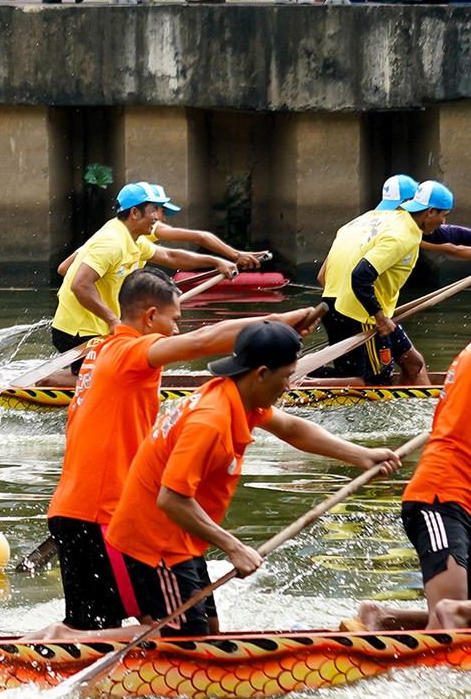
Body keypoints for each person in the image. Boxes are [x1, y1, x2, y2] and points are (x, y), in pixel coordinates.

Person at [41, 269, 326, 636]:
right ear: (149, 318)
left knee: (173, 627)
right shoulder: (131, 352)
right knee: (138, 633)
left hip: (83, 508)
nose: (178, 329)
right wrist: (279, 324)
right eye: (174, 319)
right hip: (102, 515)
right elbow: (202, 341)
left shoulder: (101, 349)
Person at [102, 321, 400, 635]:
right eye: (286, 376)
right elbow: (171, 499)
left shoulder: (238, 397)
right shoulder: (210, 421)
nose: (289, 385)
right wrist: (234, 547)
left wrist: (360, 455)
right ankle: (69, 639)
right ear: (260, 374)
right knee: (185, 640)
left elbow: (291, 429)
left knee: (210, 633)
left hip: (181, 537)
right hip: (154, 543)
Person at [45, 182, 259, 378]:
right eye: (154, 210)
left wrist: (215, 262)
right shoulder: (112, 242)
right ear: (135, 213)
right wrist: (112, 320)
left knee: (138, 364)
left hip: (97, 326)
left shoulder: (134, 240)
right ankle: (50, 382)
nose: (158, 217)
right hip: (77, 331)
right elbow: (79, 284)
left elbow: (170, 256)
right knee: (119, 376)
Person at [357, 338, 471, 631]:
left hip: (453, 496)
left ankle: (385, 619)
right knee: (453, 624)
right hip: (444, 498)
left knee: (459, 617)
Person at [311, 178, 455, 386]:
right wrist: (378, 316)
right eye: (444, 215)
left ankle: (419, 414)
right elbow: (361, 275)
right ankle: (296, 381)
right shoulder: (401, 235)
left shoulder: (373, 219)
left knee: (414, 364)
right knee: (368, 382)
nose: (443, 222)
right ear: (430, 211)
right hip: (361, 315)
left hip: (345, 306)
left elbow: (322, 276)